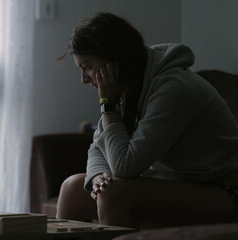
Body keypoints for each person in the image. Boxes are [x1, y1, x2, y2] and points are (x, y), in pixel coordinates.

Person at [56, 12, 238, 230]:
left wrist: (109, 105)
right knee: (72, 188)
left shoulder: (175, 89)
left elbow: (125, 167)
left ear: (113, 60)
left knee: (114, 194)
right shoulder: (128, 86)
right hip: (174, 185)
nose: (84, 79)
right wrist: (97, 176)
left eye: (87, 67)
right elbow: (97, 147)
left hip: (224, 191)